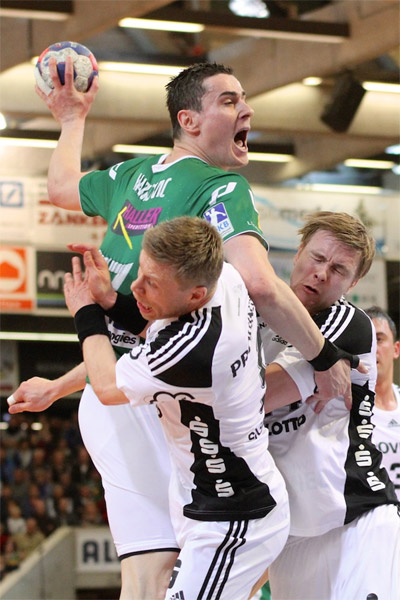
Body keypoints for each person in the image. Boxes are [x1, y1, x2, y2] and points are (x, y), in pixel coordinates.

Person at [9, 60, 354, 598]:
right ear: (188, 121)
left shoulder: (131, 176)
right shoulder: (221, 186)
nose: (247, 109)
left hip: (110, 396)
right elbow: (260, 285)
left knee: (148, 574)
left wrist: (72, 118)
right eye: (229, 101)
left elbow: (60, 188)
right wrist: (324, 355)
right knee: (208, 555)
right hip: (158, 405)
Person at [63, 216, 290, 599]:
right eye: (140, 272)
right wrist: (113, 301)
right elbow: (157, 326)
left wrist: (86, 311)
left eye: (151, 283)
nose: (137, 286)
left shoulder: (198, 348)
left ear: (196, 295)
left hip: (235, 517)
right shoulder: (225, 278)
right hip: (213, 500)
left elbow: (105, 385)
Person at [258, 212, 400, 599]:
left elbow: (260, 397)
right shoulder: (249, 312)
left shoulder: (347, 323)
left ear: (352, 284)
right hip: (290, 533)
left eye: (338, 269)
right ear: (298, 253)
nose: (321, 273)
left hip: (356, 518)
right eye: (317, 258)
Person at [365, 306, 400, 501]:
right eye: (366, 339)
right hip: (371, 515)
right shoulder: (344, 407)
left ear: (396, 349)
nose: (372, 348)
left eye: (379, 339)